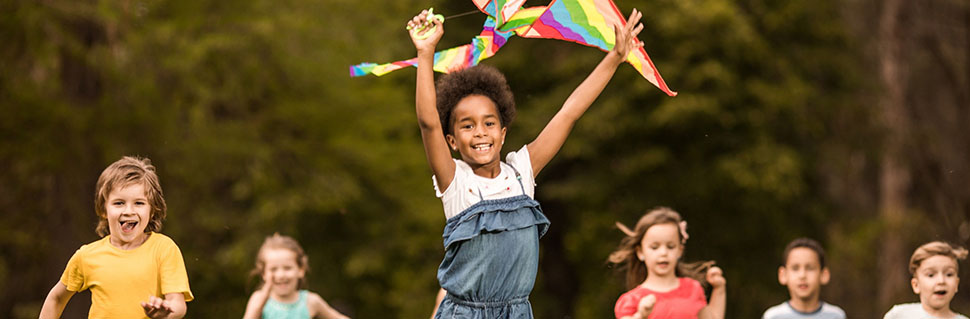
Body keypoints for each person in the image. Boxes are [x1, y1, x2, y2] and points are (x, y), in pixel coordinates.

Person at [408, 6, 648, 319]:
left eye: (489, 123)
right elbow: (428, 123)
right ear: (452, 141)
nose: (480, 133)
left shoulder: (521, 172)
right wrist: (426, 52)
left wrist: (615, 57)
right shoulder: (456, 181)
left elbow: (569, 112)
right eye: (467, 126)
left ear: (503, 133)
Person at [39, 156, 193, 318]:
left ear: (152, 209)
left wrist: (166, 311)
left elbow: (178, 304)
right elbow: (56, 298)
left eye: (139, 203)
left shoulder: (164, 249)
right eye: (119, 203)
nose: (128, 211)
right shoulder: (87, 256)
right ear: (104, 209)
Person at [609, 207, 726, 319]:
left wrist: (719, 289)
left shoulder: (693, 289)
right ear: (640, 252)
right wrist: (641, 315)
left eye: (670, 246)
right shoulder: (632, 300)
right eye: (654, 247)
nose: (663, 253)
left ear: (680, 250)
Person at [243, 233, 349, 319]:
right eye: (273, 269)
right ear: (264, 274)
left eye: (287, 268)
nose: (281, 275)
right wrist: (261, 301)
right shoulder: (258, 299)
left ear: (301, 270)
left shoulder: (311, 301)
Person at [762, 238, 845, 319]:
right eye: (795, 268)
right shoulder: (772, 316)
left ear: (824, 275)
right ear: (783, 275)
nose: (802, 275)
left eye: (810, 268)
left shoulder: (836, 316)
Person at [884, 241, 968, 319]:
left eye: (949, 274)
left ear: (956, 284)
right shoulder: (899, 315)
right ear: (916, 285)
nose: (941, 281)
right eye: (931, 275)